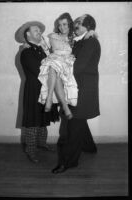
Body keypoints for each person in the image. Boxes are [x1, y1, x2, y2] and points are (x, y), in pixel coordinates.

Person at [52, 14, 101, 174]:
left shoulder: (90, 42)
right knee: (78, 121)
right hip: (76, 89)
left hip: (84, 91)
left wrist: (58, 65)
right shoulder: (81, 41)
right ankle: (90, 147)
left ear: (88, 26)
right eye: (77, 22)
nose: (76, 25)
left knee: (72, 127)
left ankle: (68, 162)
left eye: (80, 23)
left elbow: (78, 67)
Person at [15, 21, 59, 163]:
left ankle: (41, 143)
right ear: (27, 34)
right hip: (34, 90)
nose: (39, 33)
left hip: (44, 89)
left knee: (42, 119)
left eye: (40, 31)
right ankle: (31, 151)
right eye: (36, 30)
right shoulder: (26, 51)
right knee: (33, 121)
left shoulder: (40, 50)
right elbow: (41, 70)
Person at [38, 13, 78, 120]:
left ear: (70, 24)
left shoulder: (74, 38)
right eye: (59, 25)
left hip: (67, 64)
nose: (61, 27)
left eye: (64, 24)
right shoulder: (52, 36)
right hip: (54, 63)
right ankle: (63, 106)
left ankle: (49, 99)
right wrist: (26, 44)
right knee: (53, 67)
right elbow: (39, 42)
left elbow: (86, 36)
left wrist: (92, 32)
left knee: (53, 66)